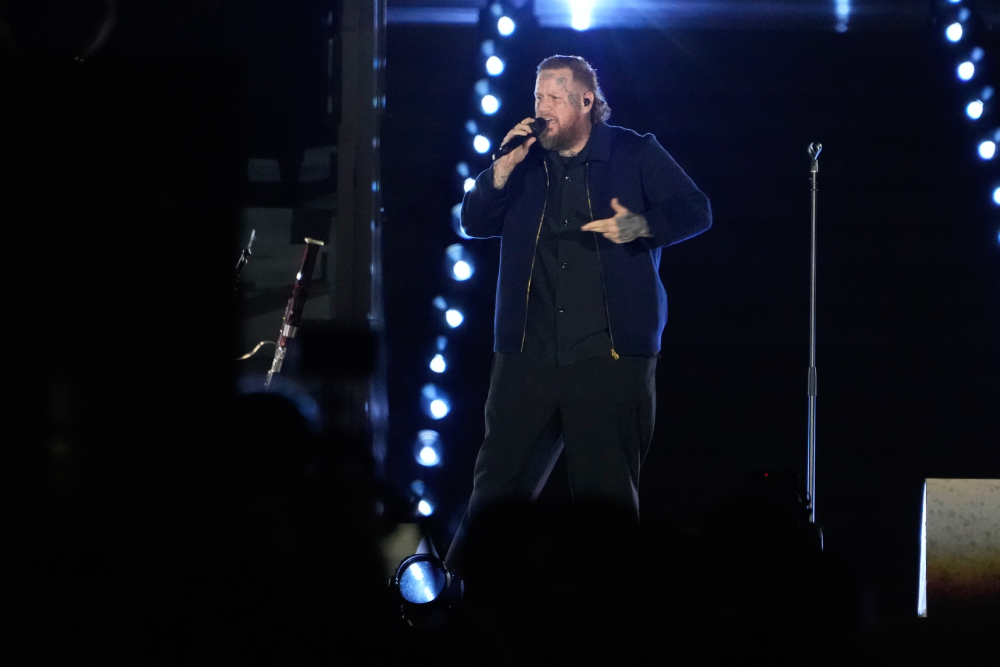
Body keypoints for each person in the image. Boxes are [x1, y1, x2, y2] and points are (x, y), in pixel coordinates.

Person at [444, 55, 711, 574]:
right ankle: (454, 604)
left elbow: (695, 209)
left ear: (586, 102)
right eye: (538, 97)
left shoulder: (633, 152)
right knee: (496, 491)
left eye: (553, 98)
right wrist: (497, 171)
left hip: (608, 356)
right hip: (528, 353)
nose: (541, 109)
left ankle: (614, 619)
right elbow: (472, 222)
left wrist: (641, 226)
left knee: (605, 503)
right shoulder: (523, 161)